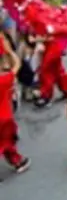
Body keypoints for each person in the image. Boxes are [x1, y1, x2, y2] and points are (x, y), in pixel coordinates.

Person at [0, 35, 27, 173]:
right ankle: (18, 162)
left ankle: (17, 161)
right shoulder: (4, 80)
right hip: (4, 118)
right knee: (6, 143)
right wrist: (9, 52)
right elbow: (17, 65)